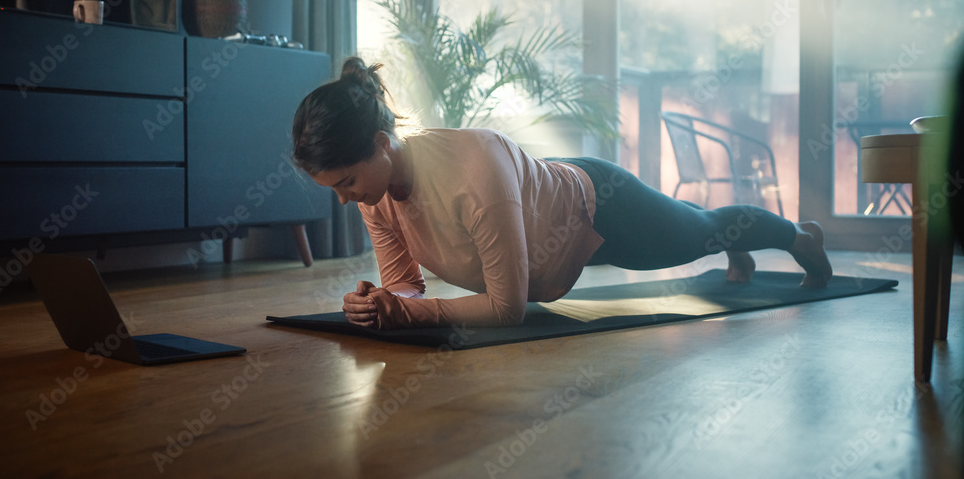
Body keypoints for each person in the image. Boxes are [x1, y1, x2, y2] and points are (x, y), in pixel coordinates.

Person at [291, 57, 833, 330]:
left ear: (382, 145)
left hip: (600, 204)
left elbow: (507, 309)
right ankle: (724, 240)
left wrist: (415, 314)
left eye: (345, 183)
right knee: (699, 229)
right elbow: (406, 289)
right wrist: (381, 305)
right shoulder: (373, 190)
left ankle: (799, 236)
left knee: (703, 232)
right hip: (540, 200)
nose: (345, 200)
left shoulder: (471, 170)